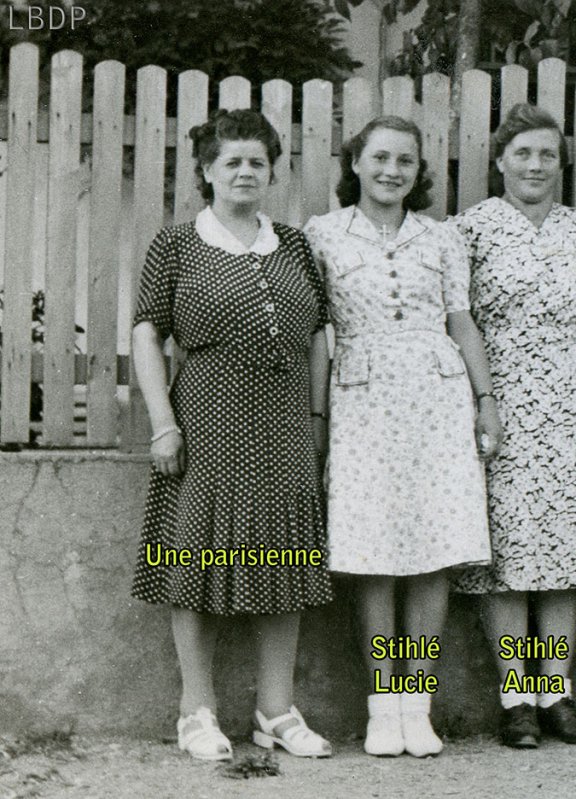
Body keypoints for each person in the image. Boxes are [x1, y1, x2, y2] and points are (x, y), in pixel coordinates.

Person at [131, 109, 332, 761]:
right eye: (232, 161)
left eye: (257, 161)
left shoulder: (294, 244)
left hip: (286, 426)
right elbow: (146, 333)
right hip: (208, 422)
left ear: (272, 171)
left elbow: (319, 336)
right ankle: (196, 711)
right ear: (207, 171)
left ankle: (276, 710)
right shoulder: (177, 244)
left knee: (286, 561)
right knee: (196, 560)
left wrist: (318, 420)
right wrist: (163, 424)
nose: (246, 172)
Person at [302, 116, 501, 757]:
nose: (392, 171)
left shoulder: (441, 237)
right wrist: (318, 419)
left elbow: (461, 321)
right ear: (356, 163)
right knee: (375, 553)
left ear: (419, 172)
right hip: (362, 397)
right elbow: (318, 333)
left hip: (436, 396)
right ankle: (382, 705)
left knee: (432, 552)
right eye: (381, 158)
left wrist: (485, 400)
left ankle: (418, 705)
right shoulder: (322, 234)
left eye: (405, 161)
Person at [451, 103, 576, 749]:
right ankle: (516, 699)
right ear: (500, 161)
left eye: (545, 154)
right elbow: (458, 316)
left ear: (560, 164)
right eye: (522, 153)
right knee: (508, 549)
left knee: (569, 546)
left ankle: (556, 692)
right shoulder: (470, 228)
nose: (535, 165)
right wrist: (482, 398)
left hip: (575, 399)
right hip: (501, 394)